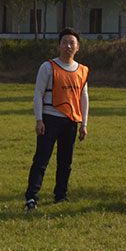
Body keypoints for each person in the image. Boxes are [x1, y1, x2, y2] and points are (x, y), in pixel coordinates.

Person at [24, 28, 89, 211]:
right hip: (50, 118)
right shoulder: (48, 67)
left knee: (65, 161)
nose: (68, 46)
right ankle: (31, 197)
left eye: (72, 43)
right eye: (65, 42)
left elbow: (84, 98)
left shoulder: (82, 70)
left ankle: (61, 195)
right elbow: (38, 93)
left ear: (78, 47)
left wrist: (84, 124)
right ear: (59, 45)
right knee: (41, 159)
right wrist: (39, 119)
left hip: (71, 122)